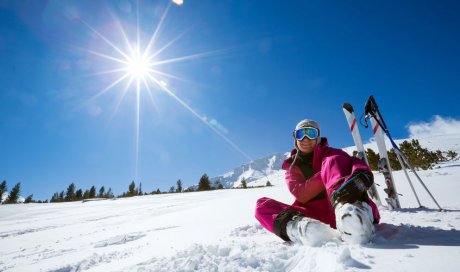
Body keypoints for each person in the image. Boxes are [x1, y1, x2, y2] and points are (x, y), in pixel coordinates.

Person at [255, 119, 380, 245]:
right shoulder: (292, 167)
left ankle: (353, 217)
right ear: (295, 138)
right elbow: (301, 194)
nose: (305, 139)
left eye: (311, 133)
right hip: (314, 215)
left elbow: (356, 163)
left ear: (318, 137)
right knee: (261, 206)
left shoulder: (334, 155)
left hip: (344, 203)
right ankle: (303, 228)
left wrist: (361, 173)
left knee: (332, 160)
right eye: (300, 134)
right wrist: (324, 174)